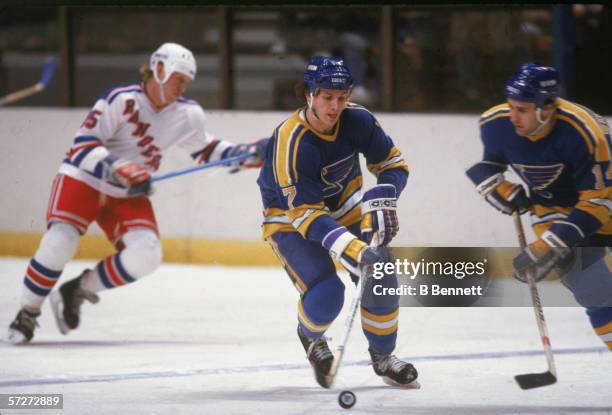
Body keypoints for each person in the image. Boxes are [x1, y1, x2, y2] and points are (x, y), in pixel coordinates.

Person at [6, 42, 266, 345]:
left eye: (186, 81)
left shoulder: (189, 114)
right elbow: (82, 146)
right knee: (60, 241)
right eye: (177, 77)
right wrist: (118, 166)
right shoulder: (121, 100)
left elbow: (208, 150)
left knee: (147, 255)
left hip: (126, 192)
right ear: (158, 69)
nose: (182, 86)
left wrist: (248, 153)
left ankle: (77, 289)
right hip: (84, 179)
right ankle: (27, 312)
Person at [256, 56, 419, 388]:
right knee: (328, 293)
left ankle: (383, 358)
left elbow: (394, 163)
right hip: (290, 218)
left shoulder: (358, 120)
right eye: (327, 97)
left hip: (345, 206)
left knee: (381, 275)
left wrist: (384, 195)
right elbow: (307, 215)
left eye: (341, 97)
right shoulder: (291, 140)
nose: (335, 105)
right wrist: (356, 249)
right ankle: (311, 338)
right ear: (309, 95)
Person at [466, 62, 612, 350]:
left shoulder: (584, 131)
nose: (513, 117)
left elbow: (599, 200)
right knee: (592, 288)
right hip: (551, 210)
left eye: (522, 109)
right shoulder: (495, 124)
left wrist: (550, 244)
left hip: (604, 201)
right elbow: (490, 166)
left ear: (546, 108)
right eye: (511, 107)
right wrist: (499, 188)